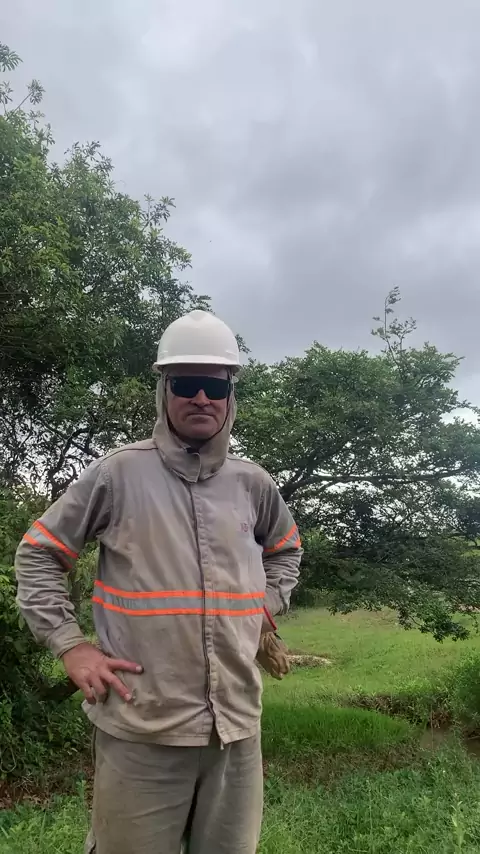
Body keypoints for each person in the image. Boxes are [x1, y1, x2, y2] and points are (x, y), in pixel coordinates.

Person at [15, 309, 302, 854]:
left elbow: (286, 550)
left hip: (236, 730)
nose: (202, 398)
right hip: (143, 729)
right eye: (186, 384)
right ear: (164, 391)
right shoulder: (117, 474)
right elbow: (38, 555)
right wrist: (71, 646)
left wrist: (262, 609)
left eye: (215, 386)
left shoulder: (253, 484)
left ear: (231, 395)